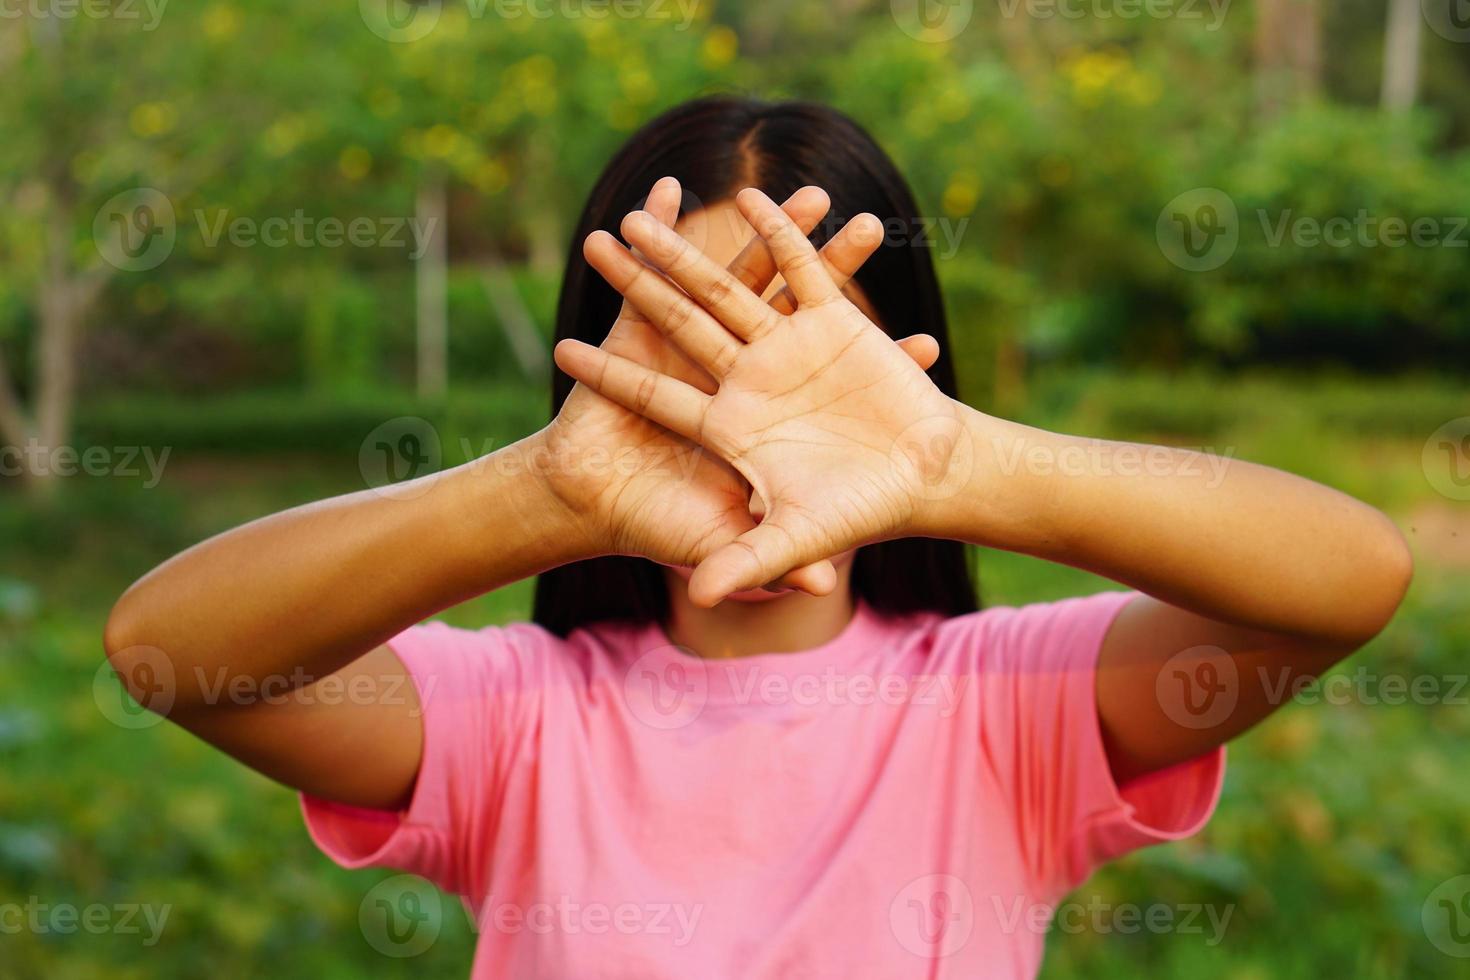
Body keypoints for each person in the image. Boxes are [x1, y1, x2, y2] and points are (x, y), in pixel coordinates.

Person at [104, 97, 1412, 978]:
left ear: (905, 359)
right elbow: (169, 649)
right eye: (689, 339)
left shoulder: (1004, 706)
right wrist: (549, 491)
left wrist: (953, 459)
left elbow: (1346, 577)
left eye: (803, 340)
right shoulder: (515, 719)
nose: (752, 410)